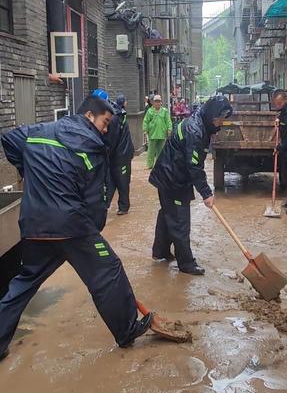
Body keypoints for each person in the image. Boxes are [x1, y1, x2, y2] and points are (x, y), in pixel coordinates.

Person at [0, 96, 152, 363]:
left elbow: (9, 139)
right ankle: (127, 331)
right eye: (105, 123)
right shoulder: (91, 147)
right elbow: (95, 203)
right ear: (90, 115)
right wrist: (93, 234)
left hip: (35, 225)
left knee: (25, 282)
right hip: (72, 227)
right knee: (108, 270)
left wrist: (29, 170)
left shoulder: (39, 132)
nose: (106, 130)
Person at [149, 95, 233, 275]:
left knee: (167, 214)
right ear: (211, 115)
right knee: (180, 220)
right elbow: (194, 166)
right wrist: (206, 193)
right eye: (219, 119)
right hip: (172, 179)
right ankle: (186, 263)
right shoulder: (195, 130)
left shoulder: (201, 124)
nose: (220, 124)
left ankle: (160, 252)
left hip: (173, 175)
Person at [94, 89, 135, 216]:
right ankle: (104, 206)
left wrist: (103, 154)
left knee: (121, 180)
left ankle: (123, 207)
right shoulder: (109, 113)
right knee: (110, 180)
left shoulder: (113, 117)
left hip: (122, 154)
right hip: (114, 154)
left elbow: (111, 140)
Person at [143, 94, 173, 169]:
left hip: (162, 134)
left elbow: (168, 121)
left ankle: (159, 165)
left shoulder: (165, 111)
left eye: (159, 101)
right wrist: (145, 130)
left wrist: (169, 129)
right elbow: (145, 121)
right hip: (153, 134)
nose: (157, 103)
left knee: (161, 151)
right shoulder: (150, 111)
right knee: (151, 151)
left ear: (161, 102)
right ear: (153, 102)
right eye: (156, 101)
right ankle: (149, 165)